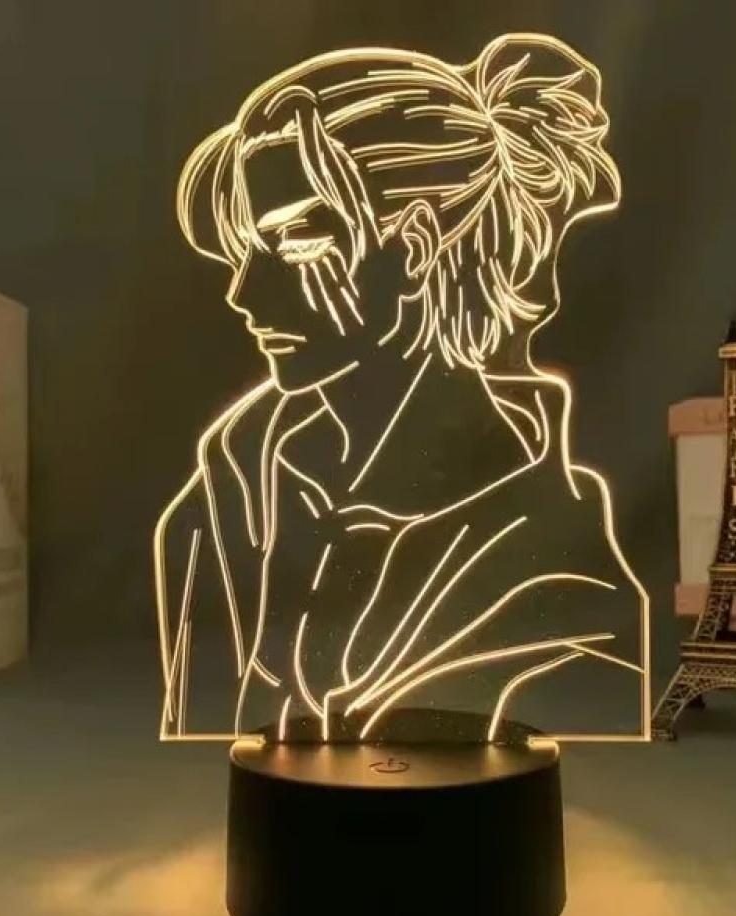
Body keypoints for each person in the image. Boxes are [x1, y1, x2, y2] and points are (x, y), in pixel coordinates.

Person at [155, 34, 649, 742]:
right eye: (247, 252)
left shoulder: (555, 577)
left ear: (415, 246)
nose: (243, 293)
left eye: (296, 243)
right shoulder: (231, 487)